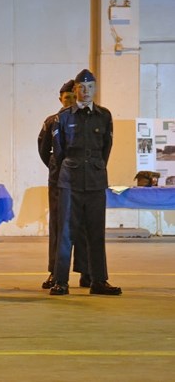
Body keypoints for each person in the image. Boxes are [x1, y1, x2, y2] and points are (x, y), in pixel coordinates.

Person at [50, 69, 121, 296]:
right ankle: (60, 281)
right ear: (75, 90)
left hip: (95, 180)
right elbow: (58, 152)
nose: (86, 91)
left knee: (96, 231)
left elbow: (106, 149)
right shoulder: (63, 118)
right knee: (66, 232)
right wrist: (72, 168)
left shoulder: (104, 116)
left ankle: (98, 280)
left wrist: (95, 168)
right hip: (70, 180)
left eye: (90, 87)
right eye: (81, 87)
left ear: (95, 89)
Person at [37, 80, 91, 290]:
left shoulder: (85, 119)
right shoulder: (53, 121)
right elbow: (43, 149)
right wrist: (57, 166)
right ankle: (55, 272)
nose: (70, 101)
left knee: (84, 224)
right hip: (59, 177)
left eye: (72, 97)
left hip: (83, 178)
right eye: (66, 97)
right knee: (59, 226)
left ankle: (86, 271)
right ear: (60, 99)